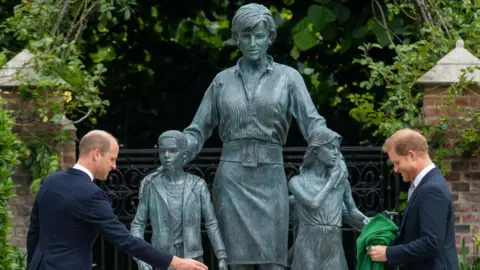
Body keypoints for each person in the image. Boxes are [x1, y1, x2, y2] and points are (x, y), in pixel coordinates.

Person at [180, 3, 348, 269]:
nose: (253, 43)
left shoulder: (289, 78)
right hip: (232, 180)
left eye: (259, 36)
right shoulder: (222, 80)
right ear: (236, 38)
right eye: (246, 36)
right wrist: (180, 149)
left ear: (271, 37)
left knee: (273, 262)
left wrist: (331, 147)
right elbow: (197, 129)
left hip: (271, 177)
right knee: (237, 262)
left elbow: (312, 122)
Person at [26, 130, 208, 270]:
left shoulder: (51, 181)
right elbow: (124, 239)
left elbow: (34, 231)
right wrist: (174, 262)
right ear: (96, 154)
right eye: (112, 159)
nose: (114, 166)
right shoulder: (91, 194)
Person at [130, 130, 228, 270]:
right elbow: (138, 225)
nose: (167, 156)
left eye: (172, 151)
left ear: (185, 155)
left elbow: (211, 223)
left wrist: (221, 256)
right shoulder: (151, 186)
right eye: (162, 151)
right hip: (162, 259)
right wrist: (140, 258)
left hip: (192, 259)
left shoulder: (197, 185)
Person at [368, 128, 459, 269]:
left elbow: (431, 243)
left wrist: (388, 253)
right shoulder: (423, 185)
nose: (396, 169)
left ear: (411, 155)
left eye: (397, 163)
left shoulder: (431, 189)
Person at [288, 126, 369, 270]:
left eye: (337, 149)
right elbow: (313, 203)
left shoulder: (342, 182)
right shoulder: (297, 181)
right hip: (308, 246)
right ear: (315, 150)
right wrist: (331, 181)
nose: (335, 153)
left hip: (333, 246)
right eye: (331, 148)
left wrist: (371, 221)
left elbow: (352, 212)